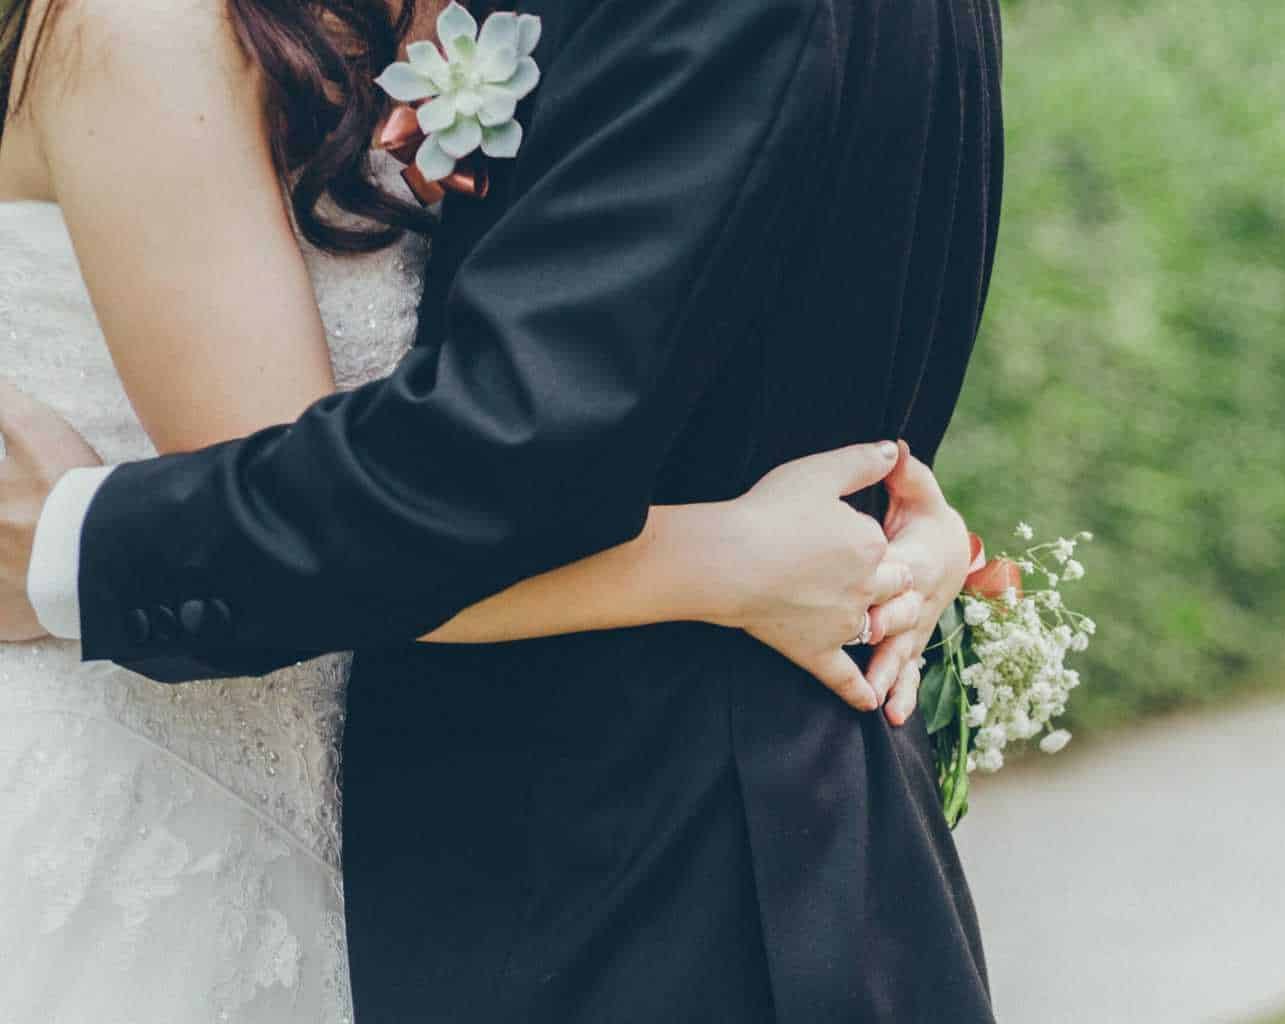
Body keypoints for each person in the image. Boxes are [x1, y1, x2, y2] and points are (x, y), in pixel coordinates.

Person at [0, 0, 1002, 1020]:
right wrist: (733, 560)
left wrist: (865, 532)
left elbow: (523, 434)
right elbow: (389, 497)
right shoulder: (143, 31)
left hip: (572, 831)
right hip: (199, 791)